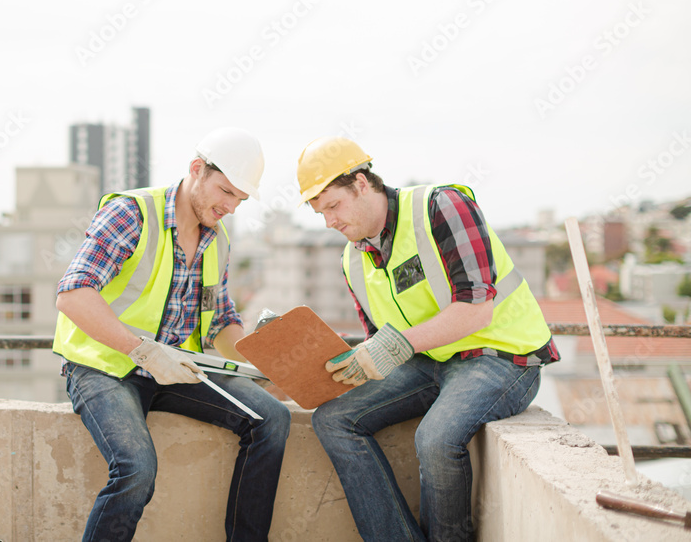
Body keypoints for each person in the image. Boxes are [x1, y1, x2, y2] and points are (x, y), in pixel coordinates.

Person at [296, 136, 558, 542]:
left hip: (502, 355)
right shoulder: (353, 258)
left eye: (333, 205)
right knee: (333, 420)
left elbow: (476, 307)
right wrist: (330, 363)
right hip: (429, 362)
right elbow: (380, 341)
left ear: (362, 183)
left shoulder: (441, 207)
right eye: (320, 212)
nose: (330, 221)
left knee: (435, 440)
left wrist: (392, 347)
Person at [54, 127, 291, 542]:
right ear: (196, 169)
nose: (231, 206)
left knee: (271, 419)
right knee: (136, 467)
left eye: (240, 198)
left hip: (177, 370)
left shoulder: (217, 238)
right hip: (106, 368)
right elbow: (73, 295)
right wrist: (142, 351)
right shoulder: (131, 213)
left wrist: (262, 366)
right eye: (226, 191)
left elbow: (220, 321)